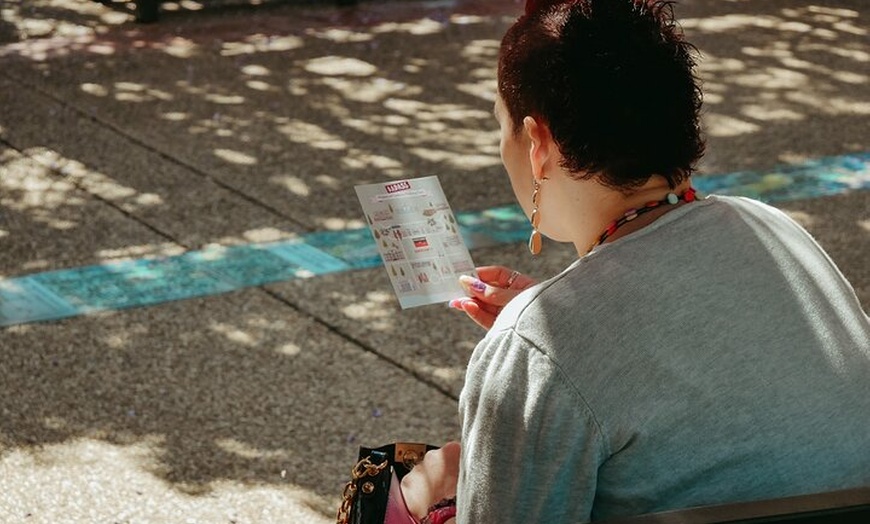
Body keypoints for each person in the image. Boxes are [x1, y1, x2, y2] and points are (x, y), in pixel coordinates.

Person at [429, 0, 870, 522]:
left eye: (502, 126)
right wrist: (547, 334)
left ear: (538, 143)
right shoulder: (773, 228)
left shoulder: (536, 352)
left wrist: (424, 506)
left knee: (425, 481)